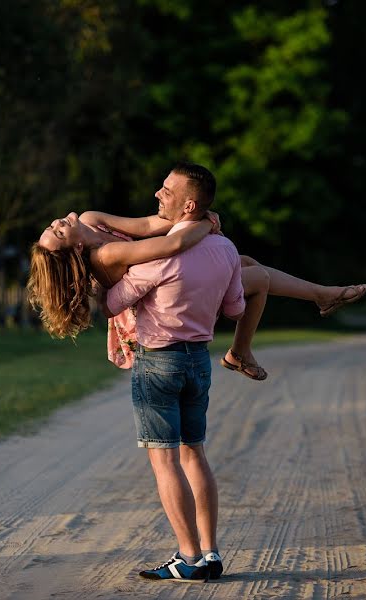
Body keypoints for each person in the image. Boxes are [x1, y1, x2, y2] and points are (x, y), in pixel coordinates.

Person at [28, 187, 366, 382]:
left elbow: (149, 225)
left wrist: (187, 215)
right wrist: (203, 223)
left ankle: (321, 296)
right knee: (258, 278)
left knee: (246, 264)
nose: (58, 222)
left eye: (53, 225)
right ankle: (240, 352)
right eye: (58, 232)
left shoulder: (89, 219)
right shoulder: (107, 254)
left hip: (166, 271)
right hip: (162, 294)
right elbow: (169, 246)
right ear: (74, 247)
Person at [94, 161, 241, 581]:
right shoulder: (226, 249)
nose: (159, 194)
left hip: (158, 361)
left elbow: (109, 305)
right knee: (195, 453)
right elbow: (234, 308)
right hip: (199, 361)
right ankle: (211, 554)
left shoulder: (157, 259)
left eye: (167, 190)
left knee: (165, 462)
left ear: (189, 203)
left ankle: (188, 557)